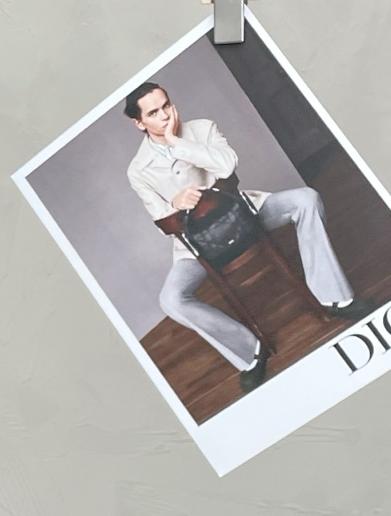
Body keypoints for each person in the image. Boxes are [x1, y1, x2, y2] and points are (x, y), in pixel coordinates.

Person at [125, 81, 359, 393]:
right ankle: (250, 353)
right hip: (197, 246)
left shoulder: (202, 128)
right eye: (153, 113)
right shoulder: (138, 170)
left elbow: (227, 165)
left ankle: (334, 298)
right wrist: (175, 204)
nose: (165, 115)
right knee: (171, 300)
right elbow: (160, 221)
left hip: (246, 216)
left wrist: (175, 142)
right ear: (139, 123)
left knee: (306, 199)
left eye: (166, 105)